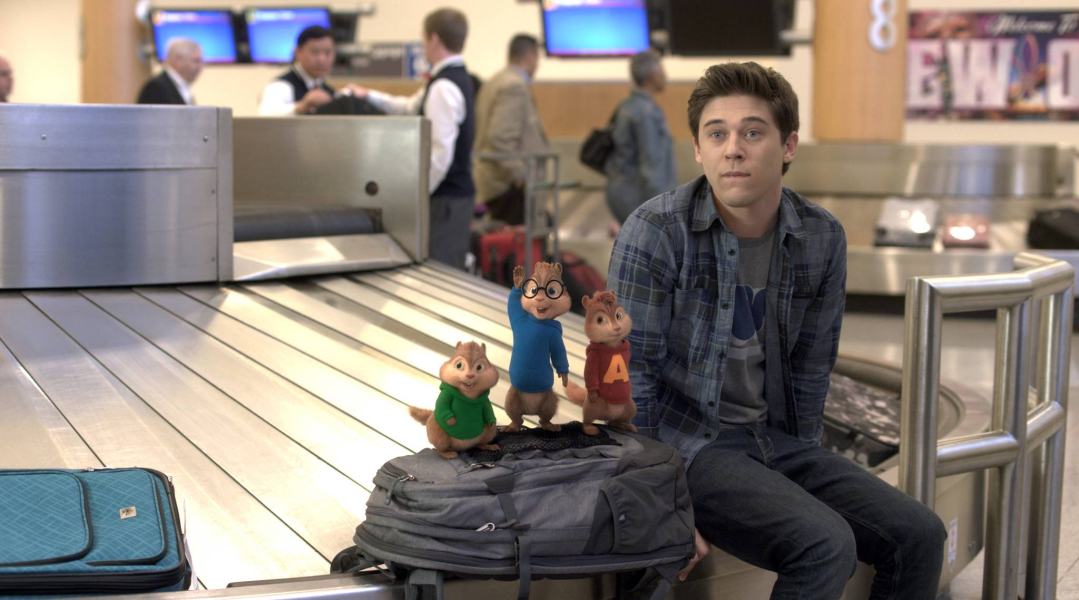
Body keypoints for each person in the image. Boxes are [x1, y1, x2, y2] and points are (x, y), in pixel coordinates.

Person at [607, 62, 947, 600]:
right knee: (825, 544)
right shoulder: (657, 231)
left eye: (752, 132)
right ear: (697, 149)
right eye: (716, 134)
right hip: (688, 446)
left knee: (920, 535)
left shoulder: (820, 236)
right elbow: (632, 378)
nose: (732, 150)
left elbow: (811, 369)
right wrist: (659, 498)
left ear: (788, 145)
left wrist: (801, 473)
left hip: (776, 441)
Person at [352, 9, 475, 269]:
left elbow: (440, 155)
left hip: (446, 198)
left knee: (441, 272)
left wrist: (416, 197)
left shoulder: (443, 87)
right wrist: (368, 95)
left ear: (433, 38)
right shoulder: (450, 78)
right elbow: (410, 106)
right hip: (451, 196)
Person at [473, 34, 548, 225]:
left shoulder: (494, 81)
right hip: (509, 185)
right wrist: (519, 174)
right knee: (531, 237)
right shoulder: (514, 86)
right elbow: (500, 136)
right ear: (529, 56)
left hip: (493, 182)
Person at [604, 50, 677, 224]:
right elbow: (651, 162)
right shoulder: (646, 112)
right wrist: (663, 208)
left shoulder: (626, 105)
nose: (665, 75)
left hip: (619, 190)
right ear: (653, 75)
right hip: (637, 195)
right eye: (662, 70)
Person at [259, 26, 343, 116]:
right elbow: (266, 114)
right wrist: (302, 106)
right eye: (315, 52)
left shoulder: (328, 90)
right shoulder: (280, 86)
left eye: (327, 53)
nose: (321, 59)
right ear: (297, 52)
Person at [137, 39, 202, 105]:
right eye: (196, 61)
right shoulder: (156, 88)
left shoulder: (182, 88)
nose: (200, 66)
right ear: (177, 59)